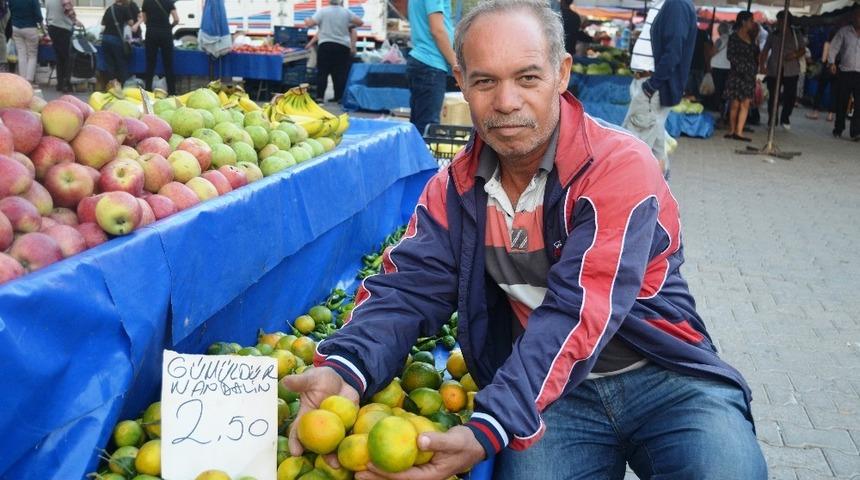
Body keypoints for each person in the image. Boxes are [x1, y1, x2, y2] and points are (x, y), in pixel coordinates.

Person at [281, 1, 768, 479]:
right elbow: (408, 287)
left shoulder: (618, 167)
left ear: (562, 73)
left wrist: (491, 424)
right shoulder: (454, 189)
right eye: (485, 80)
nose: (506, 101)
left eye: (527, 77)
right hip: (552, 392)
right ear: (462, 83)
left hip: (664, 372)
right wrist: (347, 367)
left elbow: (578, 309)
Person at [622, 0, 697, 178]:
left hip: (652, 85)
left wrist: (652, 85)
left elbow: (674, 52)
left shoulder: (675, 4)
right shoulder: (664, 4)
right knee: (654, 146)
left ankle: (643, 196)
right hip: (647, 82)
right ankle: (659, 195)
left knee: (634, 146)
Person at [405, 0, 455, 136]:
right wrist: (456, 64)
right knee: (428, 129)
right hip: (431, 63)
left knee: (418, 126)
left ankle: (415, 157)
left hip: (422, 61)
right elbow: (437, 30)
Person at [304, 0, 362, 103]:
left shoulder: (323, 11)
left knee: (323, 72)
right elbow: (360, 22)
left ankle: (320, 97)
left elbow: (310, 23)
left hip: (325, 45)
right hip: (342, 46)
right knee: (339, 73)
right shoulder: (346, 12)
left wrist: (307, 20)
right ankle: (338, 97)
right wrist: (348, 26)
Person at [759, 10, 805, 130]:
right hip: (774, 69)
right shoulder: (773, 34)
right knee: (773, 96)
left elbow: (802, 49)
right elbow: (765, 51)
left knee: (790, 96)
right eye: (779, 20)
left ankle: (785, 116)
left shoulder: (796, 33)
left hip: (791, 70)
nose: (779, 22)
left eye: (782, 20)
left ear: (787, 21)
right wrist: (762, 66)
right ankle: (772, 119)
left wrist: (794, 55)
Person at [724, 12, 759, 142]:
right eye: (751, 20)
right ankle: (732, 130)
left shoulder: (752, 37)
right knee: (735, 104)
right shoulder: (733, 37)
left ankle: (739, 132)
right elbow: (730, 55)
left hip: (749, 75)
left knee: (745, 103)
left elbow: (756, 54)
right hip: (737, 74)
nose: (752, 23)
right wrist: (741, 67)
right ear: (744, 22)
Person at [828, 6, 860, 141]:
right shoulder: (844, 32)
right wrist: (831, 62)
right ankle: (838, 128)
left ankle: (856, 131)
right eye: (858, 16)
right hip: (845, 71)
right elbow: (834, 46)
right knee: (842, 101)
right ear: (853, 17)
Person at [142, 0, 178, 94]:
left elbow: (144, 19)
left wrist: (151, 25)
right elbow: (176, 19)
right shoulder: (169, 2)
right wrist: (170, 26)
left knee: (150, 64)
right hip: (166, 33)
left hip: (151, 33)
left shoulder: (146, 2)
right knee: (168, 64)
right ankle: (171, 91)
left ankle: (148, 90)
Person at [45, 0, 81, 93]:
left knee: (59, 56)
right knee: (67, 57)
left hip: (52, 26)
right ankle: (66, 84)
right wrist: (75, 20)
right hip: (62, 27)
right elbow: (67, 6)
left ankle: (60, 83)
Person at [806, 28, 837, 122]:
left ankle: (815, 112)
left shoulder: (827, 44)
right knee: (834, 92)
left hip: (827, 69)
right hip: (837, 70)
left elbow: (823, 59)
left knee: (820, 91)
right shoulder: (840, 45)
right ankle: (830, 115)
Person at [101, 0, 134, 84]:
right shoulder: (124, 9)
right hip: (116, 39)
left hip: (105, 38)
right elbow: (131, 23)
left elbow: (102, 22)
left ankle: (111, 86)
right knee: (120, 63)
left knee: (109, 64)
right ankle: (123, 86)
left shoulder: (109, 8)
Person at [9, 0, 42, 84]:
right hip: (30, 27)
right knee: (32, 55)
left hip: (15, 27)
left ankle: (22, 80)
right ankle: (29, 79)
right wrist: (42, 27)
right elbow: (38, 16)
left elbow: (9, 12)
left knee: (21, 54)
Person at [710, 22, 732, 118]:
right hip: (728, 67)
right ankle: (724, 108)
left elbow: (713, 52)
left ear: (719, 31)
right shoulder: (732, 40)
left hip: (718, 67)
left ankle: (718, 107)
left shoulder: (719, 40)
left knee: (718, 89)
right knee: (725, 89)